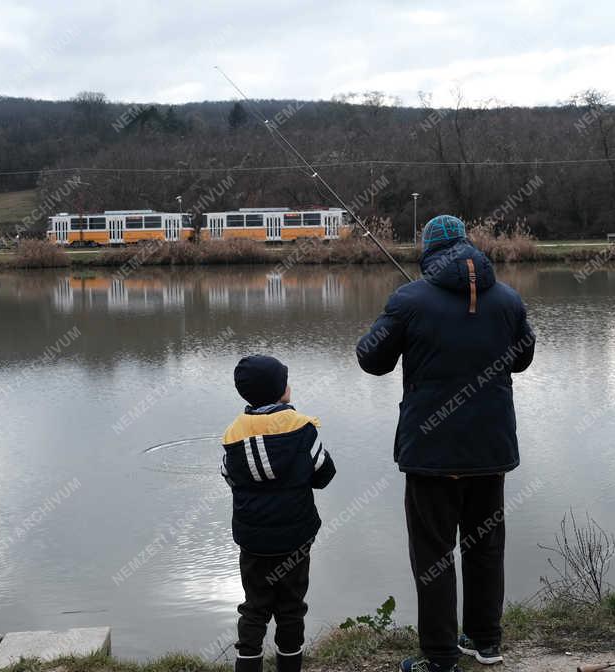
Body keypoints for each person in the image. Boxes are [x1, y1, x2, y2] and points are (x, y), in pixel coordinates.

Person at [356, 215, 536, 672]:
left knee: (434, 555)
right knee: (485, 547)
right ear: (468, 247)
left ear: (428, 254)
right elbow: (524, 358)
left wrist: (400, 319)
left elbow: (370, 359)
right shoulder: (509, 299)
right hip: (489, 451)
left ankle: (439, 657)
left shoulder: (409, 300)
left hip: (431, 454)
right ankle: (486, 642)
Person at [221, 355, 337, 672]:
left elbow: (229, 477)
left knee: (254, 607)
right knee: (291, 607)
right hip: (295, 539)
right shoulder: (301, 430)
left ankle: (247, 665)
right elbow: (324, 474)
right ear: (280, 390)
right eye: (285, 380)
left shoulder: (234, 435)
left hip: (253, 540)